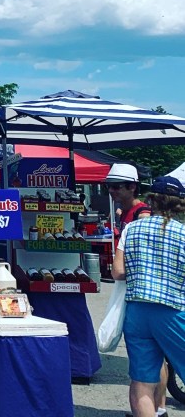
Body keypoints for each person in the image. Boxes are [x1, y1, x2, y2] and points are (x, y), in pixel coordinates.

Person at [113, 174, 185, 417]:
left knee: (142, 380)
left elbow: (117, 271)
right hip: (172, 310)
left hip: (137, 312)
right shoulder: (182, 233)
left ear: (151, 200)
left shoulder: (131, 229)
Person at [106, 163, 167, 417]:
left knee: (152, 357)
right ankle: (156, 408)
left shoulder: (142, 215)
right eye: (109, 187)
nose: (112, 191)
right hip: (139, 291)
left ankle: (158, 407)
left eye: (117, 187)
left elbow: (152, 256)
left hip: (145, 293)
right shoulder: (126, 212)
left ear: (133, 187)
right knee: (153, 356)